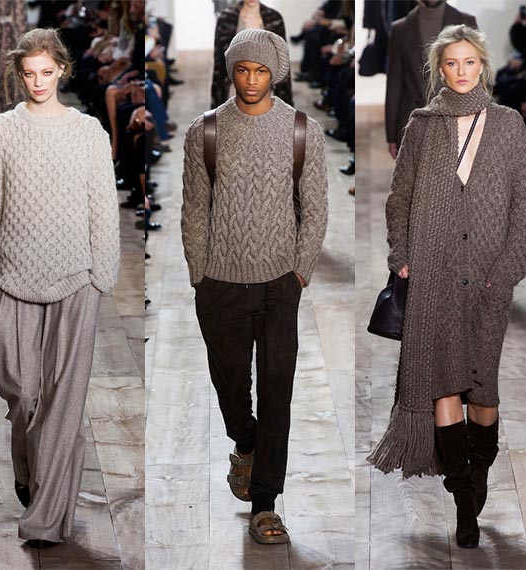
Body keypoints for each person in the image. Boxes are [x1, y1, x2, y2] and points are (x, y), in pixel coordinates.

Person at [369, 25, 526, 550]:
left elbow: (525, 208)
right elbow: (399, 197)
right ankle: (464, 498)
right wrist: (401, 255)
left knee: (482, 391)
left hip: (489, 278)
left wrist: (505, 273)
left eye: (469, 62)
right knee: (443, 383)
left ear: (482, 65)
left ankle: (478, 469)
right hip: (433, 272)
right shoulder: (423, 125)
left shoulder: (508, 125)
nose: (461, 71)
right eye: (451, 63)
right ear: (439, 69)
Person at [0, 28, 119, 549]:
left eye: (46, 72)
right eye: (29, 73)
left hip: (77, 280)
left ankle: (47, 518)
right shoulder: (1, 132)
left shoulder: (88, 132)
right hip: (13, 278)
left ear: (62, 71)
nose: (38, 82)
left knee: (64, 405)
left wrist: (102, 276)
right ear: (20, 75)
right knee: (22, 391)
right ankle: (28, 465)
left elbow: (103, 208)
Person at [181, 29, 328, 544]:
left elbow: (315, 210)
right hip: (219, 281)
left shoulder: (302, 130)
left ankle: (265, 504)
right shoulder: (205, 131)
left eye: (261, 70)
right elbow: (194, 208)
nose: (251, 79)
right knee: (230, 386)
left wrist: (300, 271)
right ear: (231, 71)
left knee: (277, 391)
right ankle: (245, 442)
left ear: (275, 74)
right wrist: (198, 273)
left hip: (279, 283)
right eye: (243, 69)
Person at [385, 0, 476, 158]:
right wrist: (392, 135)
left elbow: (476, 78)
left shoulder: (466, 22)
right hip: (413, 122)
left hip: (458, 121)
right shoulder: (400, 29)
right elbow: (395, 84)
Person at [211, 0, 293, 108]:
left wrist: (287, 102)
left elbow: (282, 58)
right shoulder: (226, 18)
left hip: (267, 87)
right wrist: (216, 104)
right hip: (234, 87)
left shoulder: (274, 18)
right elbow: (219, 63)